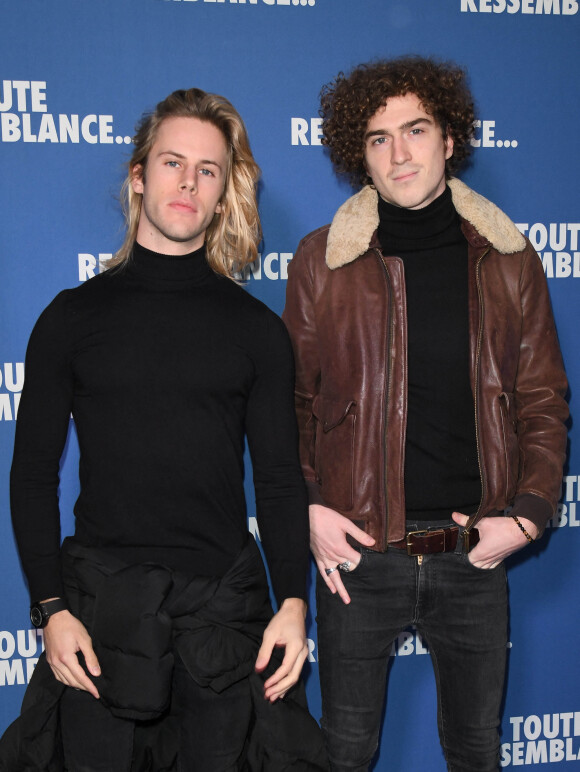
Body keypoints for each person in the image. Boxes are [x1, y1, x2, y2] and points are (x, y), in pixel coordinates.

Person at [6, 88, 326, 771]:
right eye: (172, 162)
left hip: (221, 617)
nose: (188, 181)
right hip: (100, 618)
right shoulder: (71, 318)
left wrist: (294, 600)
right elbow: (32, 474)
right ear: (138, 176)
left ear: (223, 191)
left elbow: (276, 478)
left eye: (207, 169)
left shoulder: (256, 332)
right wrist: (51, 609)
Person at [282, 56, 568, 772]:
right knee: (345, 753)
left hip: (474, 552)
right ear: (360, 155)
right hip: (360, 556)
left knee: (476, 752)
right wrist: (309, 507)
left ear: (449, 138)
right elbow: (290, 404)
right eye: (378, 138)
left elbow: (541, 396)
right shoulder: (322, 261)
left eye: (415, 129)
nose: (399, 152)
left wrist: (529, 513)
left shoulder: (508, 258)